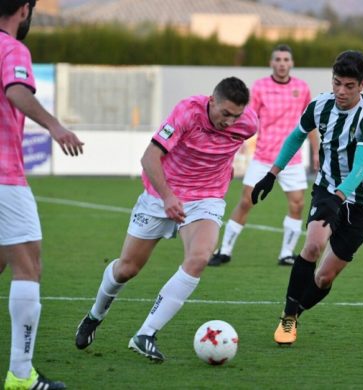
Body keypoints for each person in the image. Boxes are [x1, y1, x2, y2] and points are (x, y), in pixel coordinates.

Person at [74, 77, 257, 362]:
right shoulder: (187, 112)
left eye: (236, 115)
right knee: (127, 269)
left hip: (205, 199)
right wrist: (169, 196)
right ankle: (95, 315)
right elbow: (149, 158)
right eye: (225, 114)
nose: (230, 122)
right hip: (161, 195)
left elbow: (231, 147)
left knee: (199, 258)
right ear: (212, 101)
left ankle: (145, 333)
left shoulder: (248, 124)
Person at [251, 50, 363, 345]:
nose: (341, 91)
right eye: (337, 83)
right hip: (327, 189)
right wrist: (272, 173)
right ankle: (287, 319)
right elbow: (297, 136)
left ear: (362, 86)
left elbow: (361, 166)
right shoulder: (320, 105)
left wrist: (340, 198)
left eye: (349, 86)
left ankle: (296, 312)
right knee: (312, 245)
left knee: (324, 278)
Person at [1, 0, 84, 388]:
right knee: (28, 267)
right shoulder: (12, 48)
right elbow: (17, 90)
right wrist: (56, 127)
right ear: (23, 10)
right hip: (4, 177)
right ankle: (21, 375)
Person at [208, 44, 318, 267]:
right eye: (277, 59)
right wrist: (236, 143)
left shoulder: (302, 88)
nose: (282, 63)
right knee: (246, 202)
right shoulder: (259, 88)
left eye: (286, 59)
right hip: (263, 157)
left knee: (297, 205)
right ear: (271, 63)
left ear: (292, 63)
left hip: (292, 159)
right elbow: (246, 118)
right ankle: (225, 250)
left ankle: (287, 253)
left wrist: (316, 150)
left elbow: (310, 123)